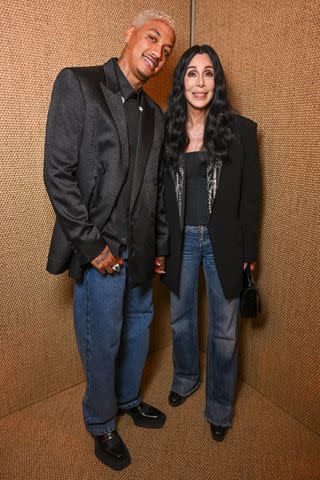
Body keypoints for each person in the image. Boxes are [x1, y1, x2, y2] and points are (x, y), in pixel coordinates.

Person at [44, 10, 175, 471]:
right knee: (104, 341)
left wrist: (159, 246)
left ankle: (128, 399)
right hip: (101, 253)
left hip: (141, 253)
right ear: (129, 34)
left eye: (166, 49)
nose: (158, 52)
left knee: (138, 331)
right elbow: (57, 174)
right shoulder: (78, 85)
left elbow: (156, 189)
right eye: (153, 38)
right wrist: (92, 246)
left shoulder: (156, 116)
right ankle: (101, 423)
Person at [162, 45, 260, 442]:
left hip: (225, 243)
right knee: (180, 318)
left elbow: (252, 197)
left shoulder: (242, 130)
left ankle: (220, 405)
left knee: (224, 330)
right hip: (180, 241)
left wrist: (249, 253)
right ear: (181, 81)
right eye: (191, 73)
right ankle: (185, 377)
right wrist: (158, 247)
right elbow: (158, 197)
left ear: (217, 81)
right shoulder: (167, 129)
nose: (199, 82)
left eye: (207, 73)